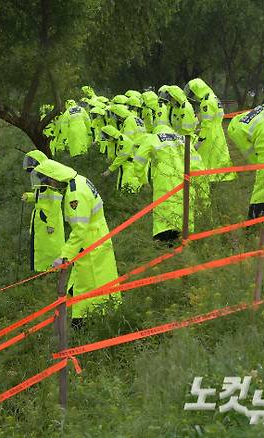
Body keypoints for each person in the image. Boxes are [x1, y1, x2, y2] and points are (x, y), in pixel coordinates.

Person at [32, 159, 121, 327]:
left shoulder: (74, 194)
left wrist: (64, 256)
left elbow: (80, 229)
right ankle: (99, 318)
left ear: (55, 177)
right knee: (93, 283)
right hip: (96, 239)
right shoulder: (80, 180)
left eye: (50, 181)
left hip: (90, 245)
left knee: (88, 285)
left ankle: (86, 324)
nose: (51, 185)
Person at [133, 127, 195, 242]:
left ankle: (164, 242)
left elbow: (138, 160)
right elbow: (197, 162)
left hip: (164, 179)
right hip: (185, 178)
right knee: (184, 208)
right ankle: (184, 240)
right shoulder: (183, 139)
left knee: (164, 210)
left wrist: (143, 180)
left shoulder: (153, 138)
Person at [184, 78, 236, 182]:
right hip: (218, 131)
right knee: (219, 155)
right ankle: (224, 176)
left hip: (210, 133)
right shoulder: (214, 97)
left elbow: (206, 124)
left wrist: (201, 139)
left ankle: (208, 178)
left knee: (206, 156)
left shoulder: (206, 102)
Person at [21, 150, 65, 272]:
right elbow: (39, 197)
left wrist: (50, 224)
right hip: (41, 220)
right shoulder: (41, 183)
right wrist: (28, 197)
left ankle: (53, 268)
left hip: (48, 222)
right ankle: (42, 269)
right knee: (41, 246)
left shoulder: (51, 183)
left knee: (51, 246)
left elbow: (55, 206)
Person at [109, 103, 148, 193]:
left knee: (126, 182)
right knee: (137, 180)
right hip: (141, 154)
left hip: (131, 156)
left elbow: (127, 141)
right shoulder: (137, 119)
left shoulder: (128, 121)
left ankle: (126, 198)